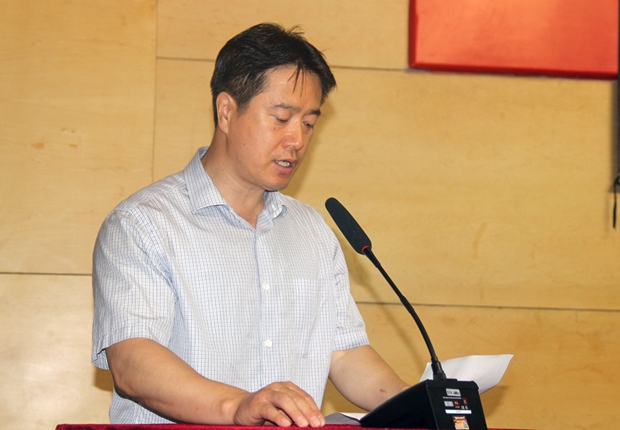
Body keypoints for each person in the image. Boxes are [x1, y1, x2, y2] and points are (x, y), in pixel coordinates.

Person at [92, 23, 409, 426]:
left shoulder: (313, 232)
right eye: (281, 118)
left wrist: (421, 405)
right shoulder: (143, 224)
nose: (297, 140)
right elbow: (132, 361)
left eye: (309, 123)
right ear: (226, 111)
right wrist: (238, 406)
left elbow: (344, 354)